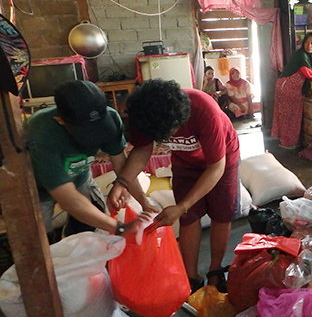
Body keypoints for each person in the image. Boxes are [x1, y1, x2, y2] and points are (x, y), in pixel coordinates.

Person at [107, 79, 240, 294]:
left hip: (222, 160)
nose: (169, 138)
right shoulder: (145, 115)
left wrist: (183, 206)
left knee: (221, 214)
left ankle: (215, 270)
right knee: (188, 218)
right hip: (185, 163)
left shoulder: (204, 110)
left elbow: (216, 167)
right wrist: (122, 183)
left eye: (171, 131)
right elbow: (142, 150)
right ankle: (191, 277)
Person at [25, 80, 157, 243]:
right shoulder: (41, 132)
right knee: (40, 240)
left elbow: (121, 164)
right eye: (86, 132)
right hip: (39, 189)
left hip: (80, 177)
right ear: (60, 120)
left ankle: (78, 246)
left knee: (89, 224)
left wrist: (144, 202)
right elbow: (68, 199)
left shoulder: (110, 117)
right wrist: (120, 228)